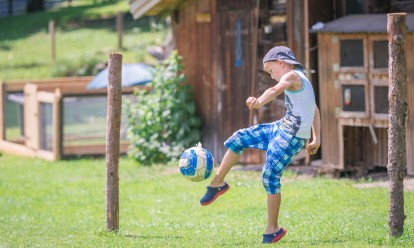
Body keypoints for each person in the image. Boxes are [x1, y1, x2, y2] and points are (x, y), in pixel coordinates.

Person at [199, 46, 321, 244]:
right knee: (239, 138)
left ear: (281, 62)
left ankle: (272, 230)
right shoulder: (301, 81)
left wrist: (258, 102)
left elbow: (274, 90)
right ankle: (217, 183)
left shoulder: (291, 76)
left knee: (270, 175)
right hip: (282, 127)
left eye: (271, 71)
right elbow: (314, 108)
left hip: (292, 137)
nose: (273, 76)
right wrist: (317, 138)